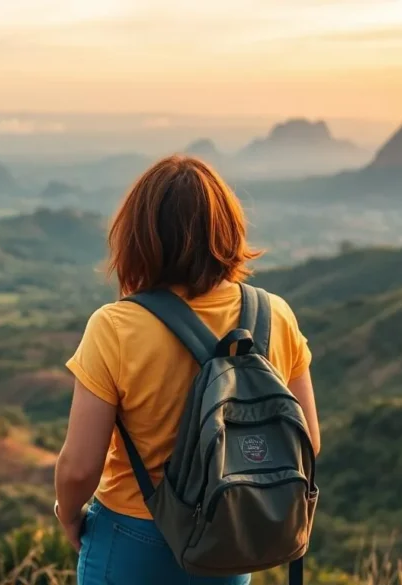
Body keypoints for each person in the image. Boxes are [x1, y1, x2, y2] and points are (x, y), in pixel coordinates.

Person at [53, 155, 322, 585]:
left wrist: (67, 515)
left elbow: (80, 467)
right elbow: (308, 439)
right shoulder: (275, 316)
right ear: (226, 228)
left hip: (131, 538)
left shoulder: (115, 327)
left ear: (139, 236)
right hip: (226, 540)